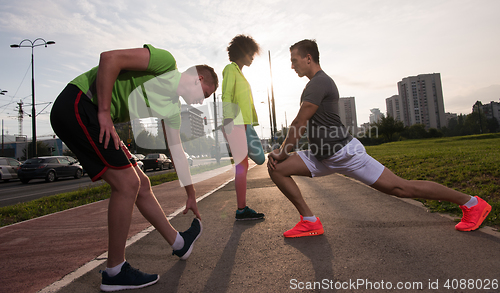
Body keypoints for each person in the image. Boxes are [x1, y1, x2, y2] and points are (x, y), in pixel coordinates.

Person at [267, 39, 492, 238]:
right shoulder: (314, 84)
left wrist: (283, 151)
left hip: (344, 154)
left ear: (308, 58)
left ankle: (472, 203)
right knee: (277, 167)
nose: (292, 65)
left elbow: (299, 123)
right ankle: (309, 222)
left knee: (401, 189)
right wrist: (283, 155)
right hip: (322, 156)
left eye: (294, 60)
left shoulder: (319, 83)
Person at [50, 44, 218, 291]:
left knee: (142, 184)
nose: (202, 100)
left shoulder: (172, 109)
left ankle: (179, 243)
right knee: (128, 183)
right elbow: (110, 58)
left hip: (95, 113)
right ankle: (115, 271)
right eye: (205, 94)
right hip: (79, 102)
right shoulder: (165, 63)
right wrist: (105, 113)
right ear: (198, 78)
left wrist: (191, 194)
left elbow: (177, 151)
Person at [222, 35, 266, 220]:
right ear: (242, 52)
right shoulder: (230, 69)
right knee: (242, 164)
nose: (253, 57)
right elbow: (226, 96)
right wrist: (227, 122)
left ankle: (242, 209)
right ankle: (241, 209)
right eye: (250, 53)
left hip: (245, 124)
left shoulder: (240, 72)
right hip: (236, 123)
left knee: (260, 158)